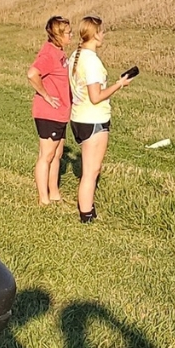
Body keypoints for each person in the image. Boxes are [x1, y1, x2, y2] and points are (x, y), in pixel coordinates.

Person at [67, 15, 133, 223]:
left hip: (78, 117)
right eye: (102, 31)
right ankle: (86, 214)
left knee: (90, 169)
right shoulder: (92, 62)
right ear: (95, 34)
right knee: (91, 171)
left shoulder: (75, 56)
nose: (103, 35)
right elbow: (96, 97)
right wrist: (119, 85)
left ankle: (88, 208)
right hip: (93, 119)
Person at [27, 16, 71, 206]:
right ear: (58, 35)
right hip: (48, 113)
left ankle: (54, 192)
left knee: (57, 154)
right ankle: (43, 198)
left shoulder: (60, 52)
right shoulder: (49, 55)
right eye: (68, 33)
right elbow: (32, 74)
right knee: (46, 156)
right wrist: (45, 95)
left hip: (61, 113)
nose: (71, 36)